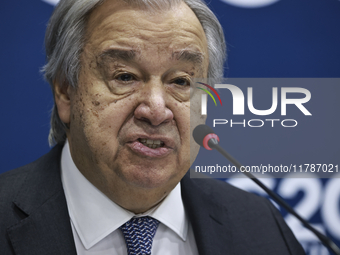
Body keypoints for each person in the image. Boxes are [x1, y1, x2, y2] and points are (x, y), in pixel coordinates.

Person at [0, 0, 305, 254]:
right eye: (125, 77)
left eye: (181, 81)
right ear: (66, 91)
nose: (157, 111)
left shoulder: (260, 228)